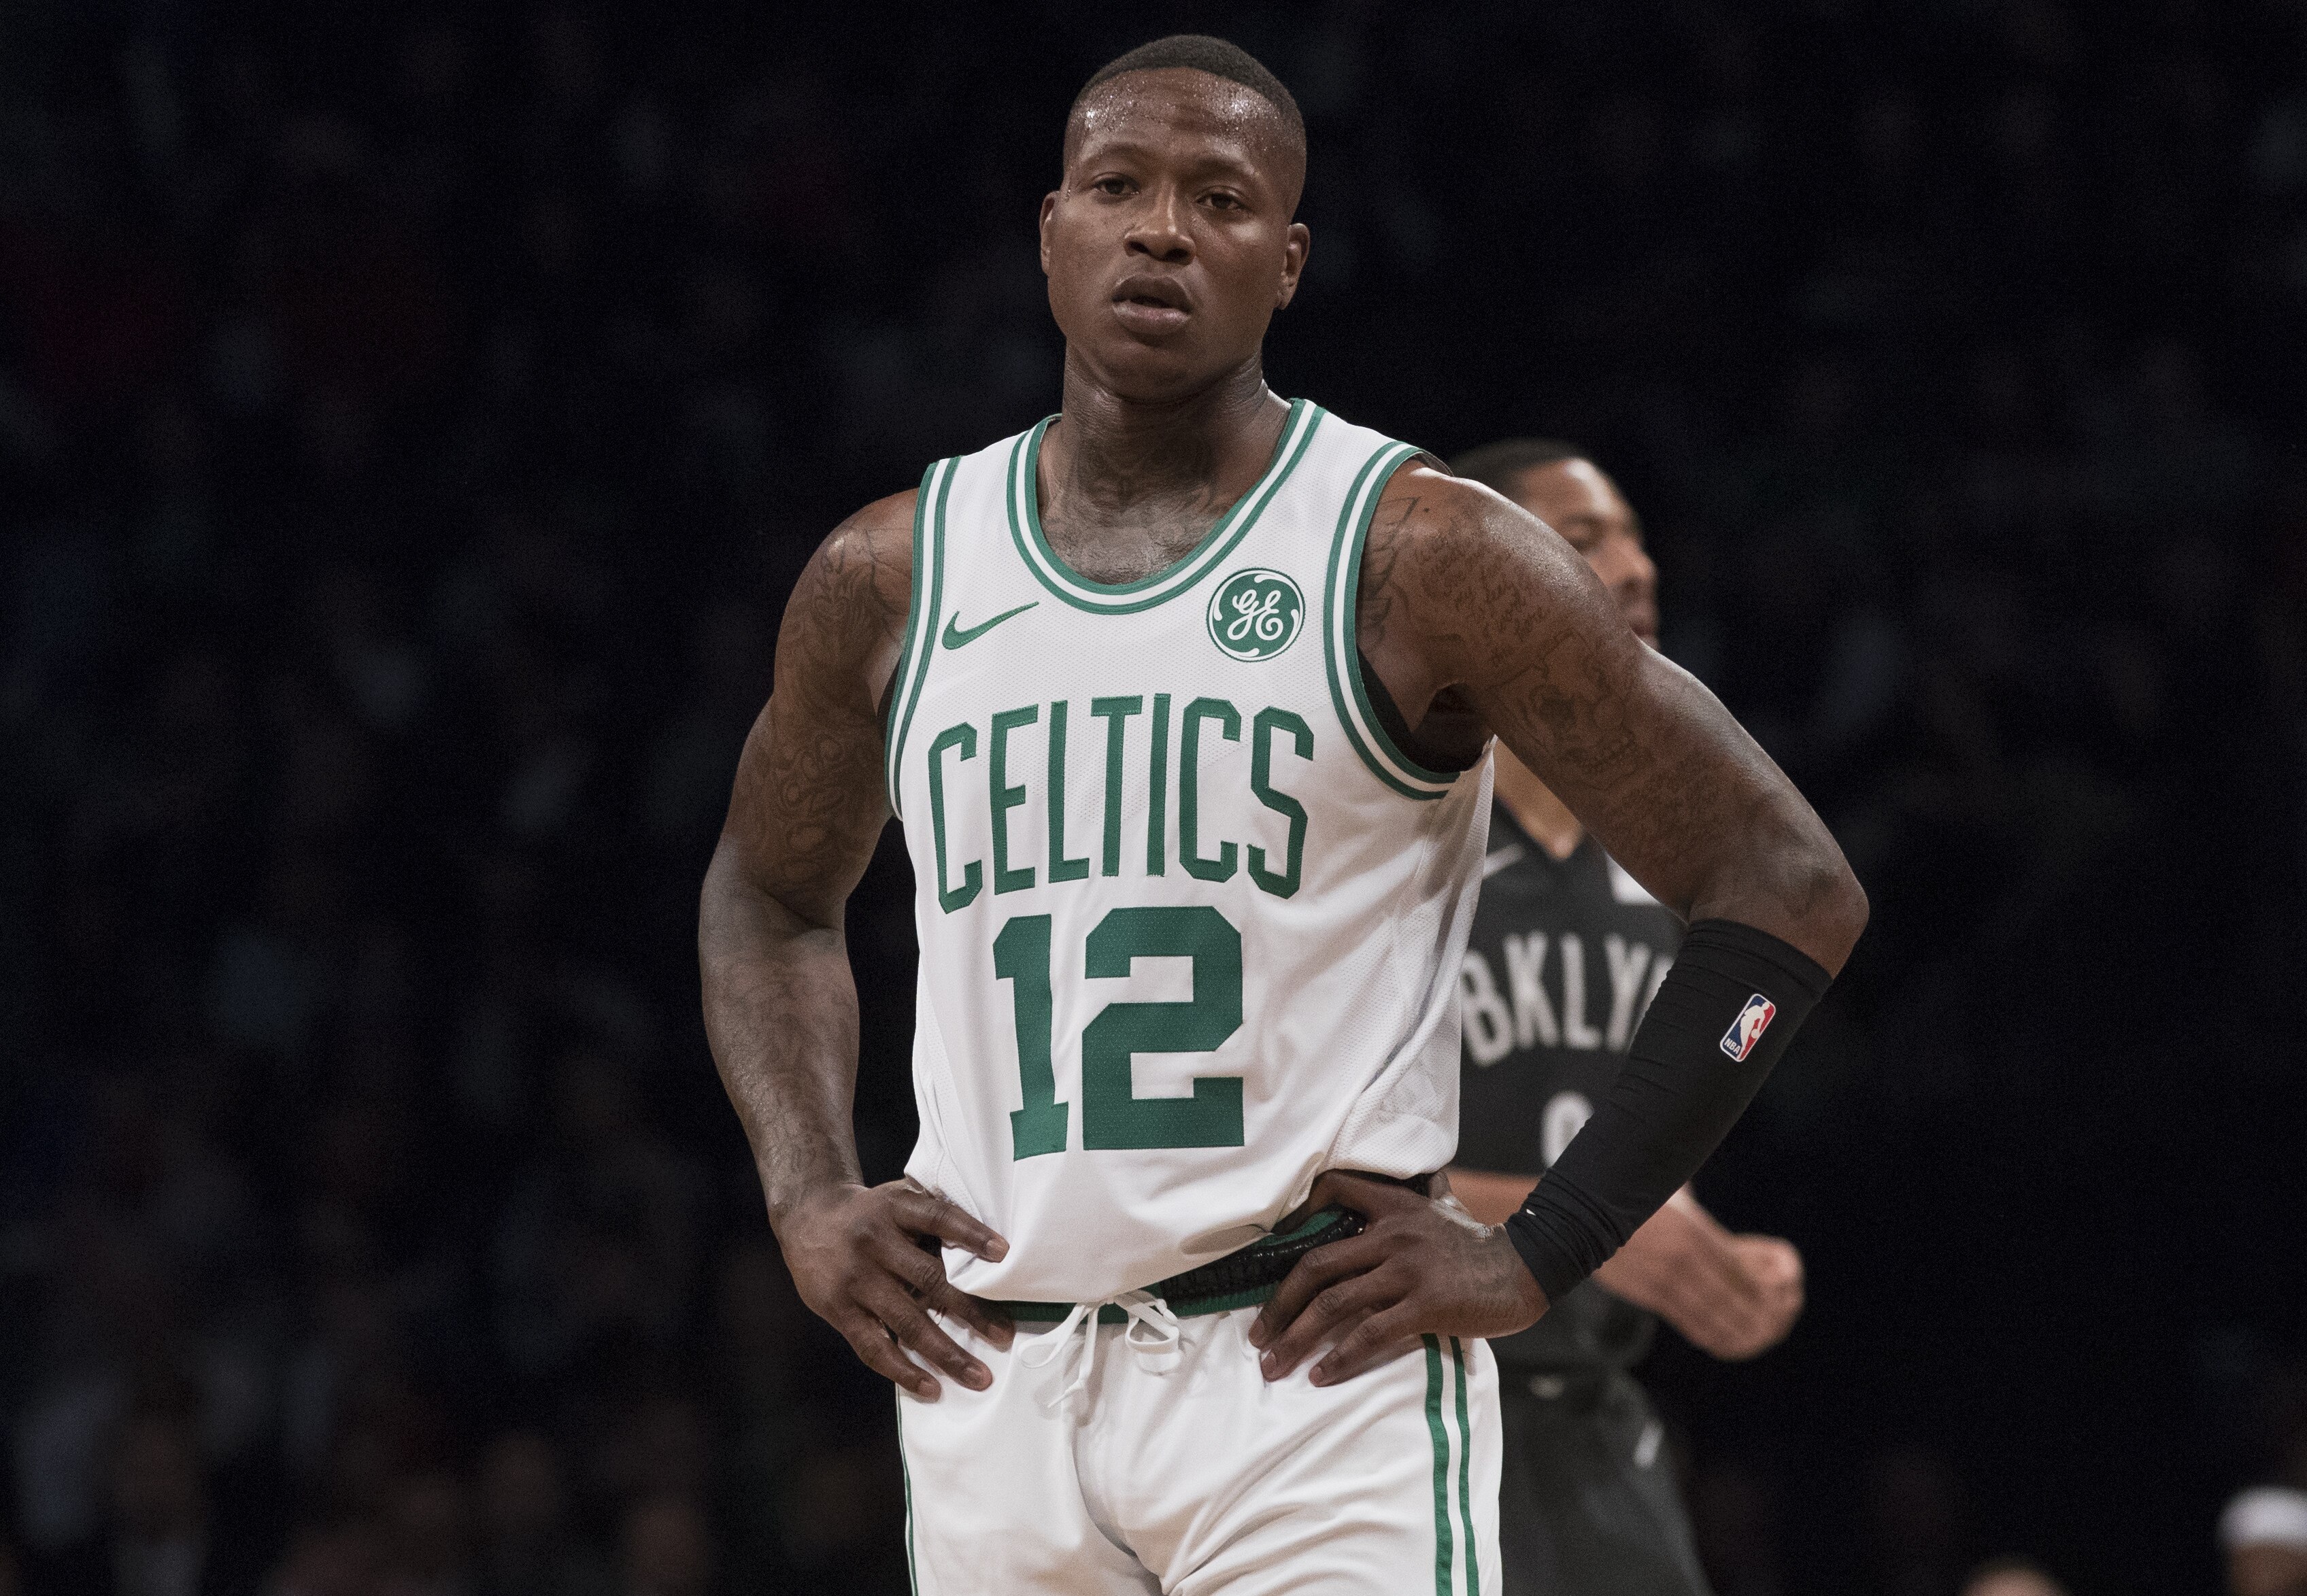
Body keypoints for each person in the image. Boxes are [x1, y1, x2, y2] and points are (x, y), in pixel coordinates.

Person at [696, 34, 1866, 1594]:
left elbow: (1786, 885)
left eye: (1218, 199)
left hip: (1302, 1378)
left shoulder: (1422, 550)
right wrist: (803, 1190)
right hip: (993, 1382)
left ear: (1288, 260)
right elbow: (767, 897)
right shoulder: (890, 576)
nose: (1161, 228)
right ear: (1050, 226)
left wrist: (1542, 1248)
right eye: (1116, 187)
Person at [1443, 440, 1806, 1596]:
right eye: (1585, 538)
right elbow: (1287, 1165)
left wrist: (1707, 1256)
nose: (1637, 567)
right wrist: (1590, 1227)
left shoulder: (1675, 855)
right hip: (1400, 1395)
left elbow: (1636, 1123)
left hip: (1589, 1404)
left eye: (1636, 536)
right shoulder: (1389, 834)